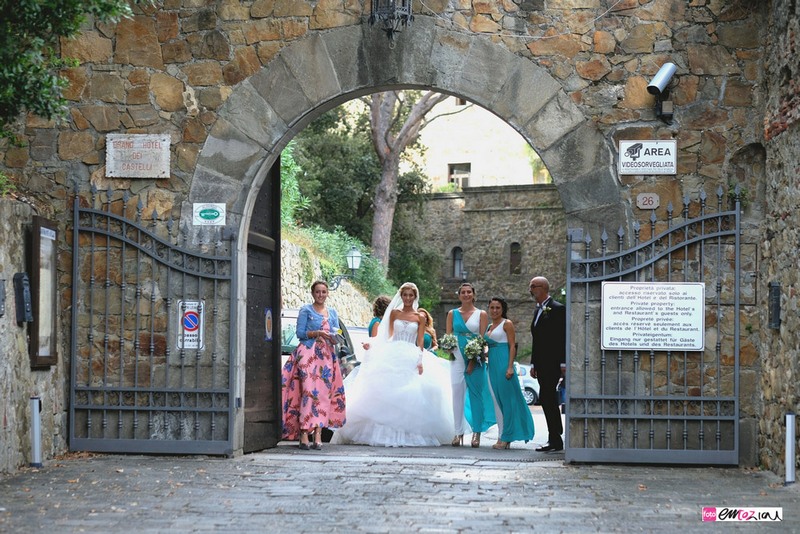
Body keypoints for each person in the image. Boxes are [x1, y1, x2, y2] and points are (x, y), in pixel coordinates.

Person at [331, 283, 454, 447]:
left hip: (410, 354)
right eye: (405, 295)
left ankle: (409, 432)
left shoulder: (420, 317)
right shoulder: (395, 314)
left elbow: (419, 343)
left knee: (411, 394)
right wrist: (372, 344)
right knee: (384, 391)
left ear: (415, 297)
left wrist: (420, 360)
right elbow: (387, 337)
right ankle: (380, 432)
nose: (408, 298)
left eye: (411, 295)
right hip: (393, 353)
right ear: (401, 296)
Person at [280, 280, 346, 450]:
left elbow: (337, 331)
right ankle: (303, 432)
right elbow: (300, 333)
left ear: (327, 293)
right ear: (312, 293)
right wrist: (317, 333)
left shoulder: (332, 312)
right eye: (318, 292)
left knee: (323, 395)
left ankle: (317, 433)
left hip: (326, 357)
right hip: (308, 353)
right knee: (308, 392)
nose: (321, 295)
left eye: (324, 292)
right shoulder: (306, 310)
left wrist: (335, 336)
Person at [446, 282, 496, 447]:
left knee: (476, 395)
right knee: (456, 393)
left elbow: (482, 339)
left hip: (475, 357)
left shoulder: (481, 314)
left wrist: (474, 359)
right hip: (457, 356)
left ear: (473, 295)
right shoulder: (452, 313)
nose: (466, 295)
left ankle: (477, 432)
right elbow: (449, 336)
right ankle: (457, 432)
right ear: (459, 295)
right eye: (463, 292)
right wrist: (447, 348)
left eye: (469, 292)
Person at [484, 297, 534, 449]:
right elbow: (489, 347)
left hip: (504, 364)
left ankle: (507, 437)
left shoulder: (507, 324)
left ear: (502, 309)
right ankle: (501, 436)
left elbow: (512, 346)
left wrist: (510, 366)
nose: (494, 310)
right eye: (492, 307)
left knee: (507, 401)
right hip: (491, 364)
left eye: (497, 308)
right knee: (496, 400)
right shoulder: (489, 327)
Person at [529, 276, 566, 452]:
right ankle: (554, 436)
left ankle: (556, 438)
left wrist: (563, 362)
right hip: (541, 364)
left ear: (543, 288)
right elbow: (536, 340)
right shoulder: (537, 310)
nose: (530, 289)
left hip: (553, 363)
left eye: (533, 286)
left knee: (548, 398)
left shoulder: (557, 309)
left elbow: (561, 338)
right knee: (546, 399)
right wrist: (533, 363)